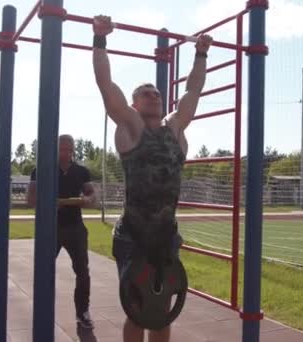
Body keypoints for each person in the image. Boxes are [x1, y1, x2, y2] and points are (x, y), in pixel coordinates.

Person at [92, 15, 212, 342]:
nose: (154, 95)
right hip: (133, 235)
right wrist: (100, 39)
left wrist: (200, 53)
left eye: (157, 93)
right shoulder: (131, 128)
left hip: (165, 235)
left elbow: (193, 89)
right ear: (133, 103)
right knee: (138, 308)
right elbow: (106, 85)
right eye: (145, 93)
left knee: (160, 312)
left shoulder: (175, 128)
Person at [27, 134, 97, 330]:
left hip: (75, 228)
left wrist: (89, 199)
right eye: (62, 149)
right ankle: (42, 311)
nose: (65, 153)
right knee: (44, 270)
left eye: (69, 149)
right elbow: (31, 199)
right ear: (55, 149)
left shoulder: (81, 171)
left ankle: (83, 312)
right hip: (50, 229)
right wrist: (50, 204)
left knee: (83, 271)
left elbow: (92, 194)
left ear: (73, 150)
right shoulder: (41, 170)